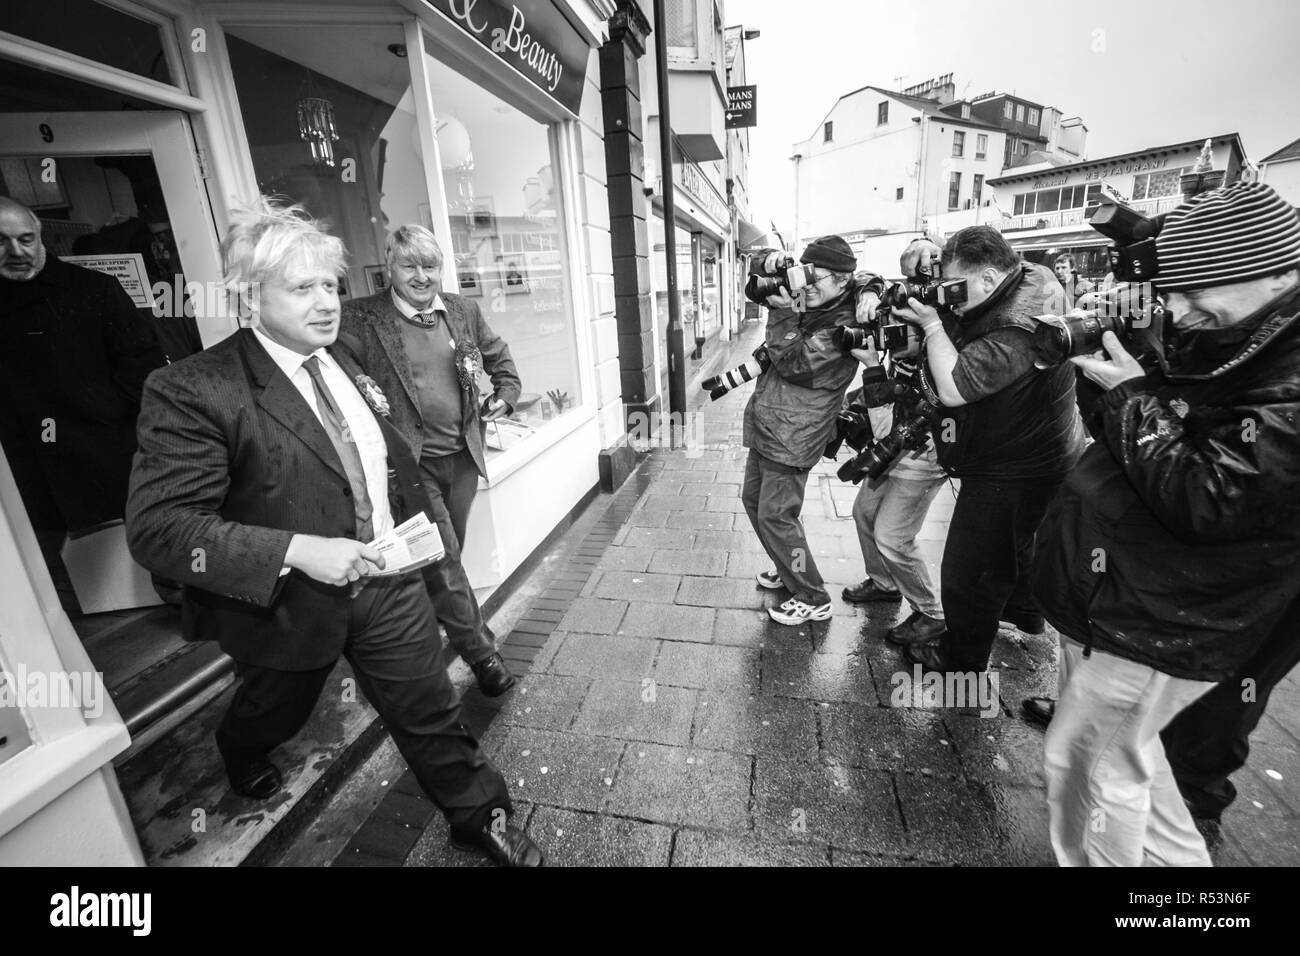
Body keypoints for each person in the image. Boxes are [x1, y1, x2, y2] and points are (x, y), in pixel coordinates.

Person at [125, 199, 542, 866]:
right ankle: (242, 746)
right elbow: (160, 529)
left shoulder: (341, 359)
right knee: (274, 709)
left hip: (386, 581)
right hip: (285, 604)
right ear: (246, 296)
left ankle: (478, 811)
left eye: (330, 285)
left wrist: (419, 531)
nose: (326, 303)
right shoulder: (194, 389)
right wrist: (298, 551)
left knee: (428, 705)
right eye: (302, 288)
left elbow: (377, 462)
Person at [1032, 181, 1300, 867]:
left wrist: (1129, 398)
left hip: (1172, 613)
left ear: (1278, 271)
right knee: (1127, 770)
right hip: (1143, 595)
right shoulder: (1241, 331)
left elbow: (1211, 497)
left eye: (1195, 290)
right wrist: (1121, 393)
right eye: (1169, 292)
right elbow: (1148, 444)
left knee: (1094, 769)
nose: (1177, 310)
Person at [890, 227, 1086, 673]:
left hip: (1012, 464)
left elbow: (956, 387)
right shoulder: (1033, 274)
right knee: (1015, 546)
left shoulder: (1018, 324)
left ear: (991, 276)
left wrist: (932, 324)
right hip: (1042, 449)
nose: (949, 294)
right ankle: (1025, 613)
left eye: (956, 285)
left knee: (970, 569)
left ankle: (962, 659)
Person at [338, 225, 521, 696]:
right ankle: (483, 656)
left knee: (444, 552)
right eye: (409, 265)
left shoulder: (461, 310)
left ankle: (432, 618)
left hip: (461, 459)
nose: (421, 276)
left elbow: (499, 357)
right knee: (444, 557)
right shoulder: (360, 318)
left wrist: (505, 394)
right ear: (389, 265)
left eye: (430, 266)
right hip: (410, 467)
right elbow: (345, 379)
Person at [0, 196, 168, 593]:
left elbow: (143, 367)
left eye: (26, 239)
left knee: (130, 577)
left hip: (101, 451)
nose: (16, 252)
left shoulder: (93, 289)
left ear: (40, 237)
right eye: (2, 241)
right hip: (24, 465)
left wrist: (106, 412)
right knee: (49, 576)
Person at [741, 235, 883, 625]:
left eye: (815, 278)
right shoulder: (826, 296)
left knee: (776, 515)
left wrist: (784, 314)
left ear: (841, 280)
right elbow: (866, 276)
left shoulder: (846, 324)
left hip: (794, 433)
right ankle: (790, 568)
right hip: (771, 423)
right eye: (805, 274)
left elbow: (796, 364)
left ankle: (812, 594)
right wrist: (772, 264)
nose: (806, 284)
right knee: (754, 502)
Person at [842, 339, 948, 647]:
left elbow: (884, 427)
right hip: (891, 453)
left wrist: (873, 368)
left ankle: (931, 613)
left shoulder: (937, 364)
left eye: (902, 329)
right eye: (888, 324)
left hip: (922, 460)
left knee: (892, 536)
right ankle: (884, 584)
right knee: (864, 512)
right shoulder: (904, 359)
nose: (891, 334)